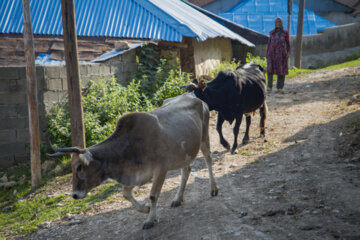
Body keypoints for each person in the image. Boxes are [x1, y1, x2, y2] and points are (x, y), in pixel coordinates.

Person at [266, 17, 290, 92]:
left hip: (281, 54)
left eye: (279, 22)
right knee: (270, 70)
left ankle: (280, 87)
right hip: (271, 53)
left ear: (282, 23)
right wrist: (267, 53)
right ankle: (269, 86)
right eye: (277, 22)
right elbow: (269, 44)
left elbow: (288, 44)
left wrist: (288, 53)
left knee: (281, 70)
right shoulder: (271, 33)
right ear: (275, 24)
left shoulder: (285, 33)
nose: (278, 23)